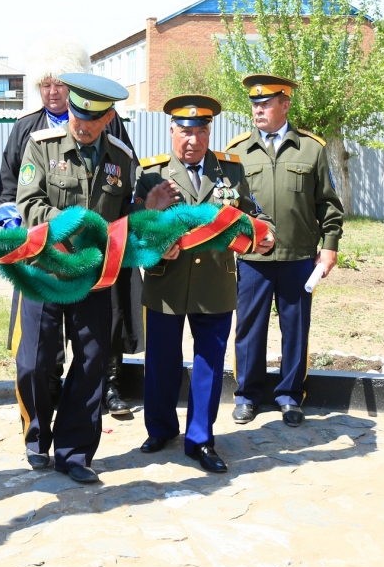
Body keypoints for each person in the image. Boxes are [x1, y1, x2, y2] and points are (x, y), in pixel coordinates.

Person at [14, 72, 171, 483]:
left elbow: (127, 218)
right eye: (76, 114)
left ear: (108, 117)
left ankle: (75, 452)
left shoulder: (121, 157)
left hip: (94, 279)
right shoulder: (41, 146)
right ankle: (36, 437)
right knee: (34, 362)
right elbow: (28, 204)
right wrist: (71, 226)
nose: (80, 125)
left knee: (91, 361)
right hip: (47, 271)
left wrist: (148, 211)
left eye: (91, 119)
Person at [0, 40, 139, 416]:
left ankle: (102, 396)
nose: (53, 92)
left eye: (58, 84)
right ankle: (46, 401)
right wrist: (26, 237)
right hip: (43, 260)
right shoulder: (28, 131)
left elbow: (126, 187)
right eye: (45, 85)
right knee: (38, 353)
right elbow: (11, 192)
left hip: (94, 269)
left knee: (97, 345)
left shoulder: (114, 134)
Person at [135, 95, 274, 473]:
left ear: (209, 132)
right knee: (161, 362)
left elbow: (253, 215)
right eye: (184, 131)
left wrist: (267, 233)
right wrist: (154, 245)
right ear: (171, 131)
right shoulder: (151, 174)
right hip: (166, 284)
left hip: (215, 283)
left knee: (209, 366)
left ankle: (201, 439)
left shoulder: (230, 170)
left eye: (200, 131)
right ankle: (160, 428)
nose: (192, 139)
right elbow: (132, 229)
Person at [227, 74, 344, 427]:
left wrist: (330, 248)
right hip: (253, 260)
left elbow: (328, 205)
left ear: (285, 104)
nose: (258, 109)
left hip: (299, 257)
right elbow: (227, 208)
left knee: (295, 328)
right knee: (249, 328)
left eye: (265, 103)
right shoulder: (236, 151)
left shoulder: (312, 148)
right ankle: (248, 395)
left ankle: (290, 396)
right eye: (254, 103)